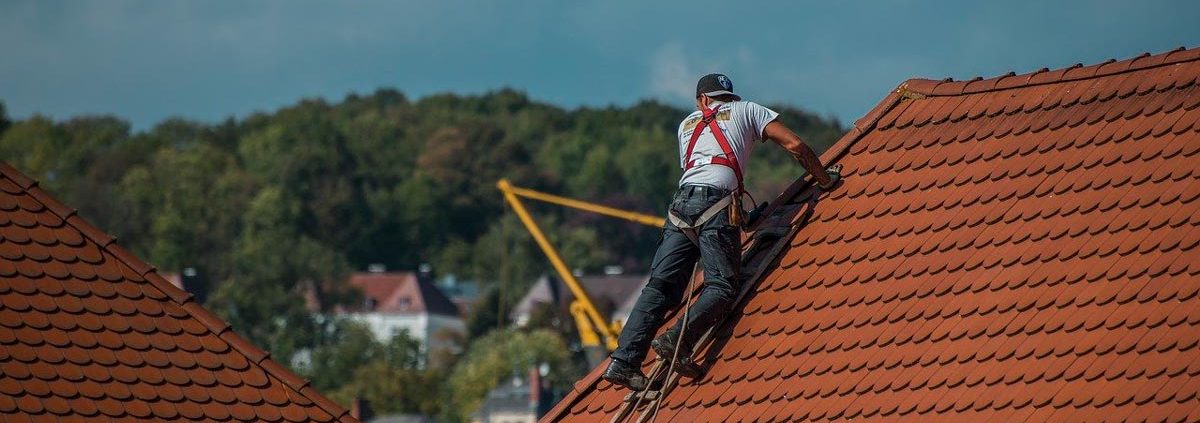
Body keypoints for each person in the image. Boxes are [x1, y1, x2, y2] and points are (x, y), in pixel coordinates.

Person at [602, 73, 840, 391]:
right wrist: (823, 178)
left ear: (702, 100)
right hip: (716, 202)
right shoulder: (748, 110)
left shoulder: (686, 125)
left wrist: (739, 218)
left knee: (659, 288)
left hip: (680, 207)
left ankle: (623, 361)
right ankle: (677, 341)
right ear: (724, 98)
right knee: (723, 287)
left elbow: (704, 169)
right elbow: (794, 144)